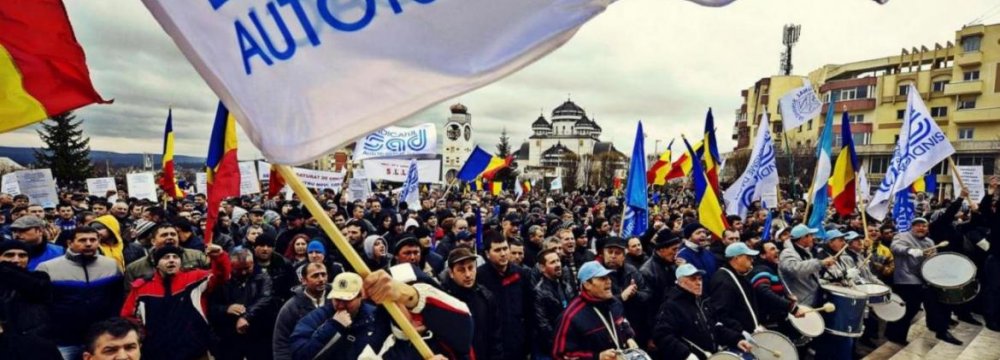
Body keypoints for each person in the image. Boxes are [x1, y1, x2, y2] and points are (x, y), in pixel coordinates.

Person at [120, 244, 231, 360]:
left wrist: (220, 257)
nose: (171, 260)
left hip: (195, 352)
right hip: (156, 354)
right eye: (166, 257)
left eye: (175, 257)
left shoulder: (195, 278)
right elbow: (127, 316)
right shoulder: (142, 288)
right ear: (157, 264)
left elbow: (222, 275)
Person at [36, 227, 124, 360]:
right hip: (64, 339)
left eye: (93, 240)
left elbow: (117, 299)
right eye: (82, 240)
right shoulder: (48, 268)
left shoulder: (111, 266)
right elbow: (40, 305)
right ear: (69, 243)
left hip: (102, 338)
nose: (88, 243)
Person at [653, 264, 753, 360]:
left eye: (700, 279)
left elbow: (715, 328)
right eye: (693, 279)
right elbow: (662, 335)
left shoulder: (703, 302)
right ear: (681, 282)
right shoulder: (671, 306)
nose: (699, 283)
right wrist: (685, 354)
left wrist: (736, 339)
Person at [886, 217, 960, 345]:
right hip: (906, 278)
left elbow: (933, 260)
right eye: (917, 225)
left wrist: (932, 257)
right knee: (909, 309)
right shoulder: (902, 236)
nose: (921, 228)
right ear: (912, 227)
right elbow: (895, 247)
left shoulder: (930, 242)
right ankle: (894, 334)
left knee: (932, 303)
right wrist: (909, 250)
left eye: (924, 226)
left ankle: (940, 330)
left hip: (924, 278)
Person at [552, 261, 638, 359]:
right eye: (602, 278)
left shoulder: (615, 303)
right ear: (587, 284)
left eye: (608, 277)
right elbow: (561, 355)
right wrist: (597, 357)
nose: (609, 281)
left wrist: (629, 337)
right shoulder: (571, 317)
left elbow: (623, 322)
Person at [208, 248, 276, 360]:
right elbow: (211, 306)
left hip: (257, 333)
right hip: (229, 336)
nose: (243, 272)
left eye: (247, 268)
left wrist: (246, 317)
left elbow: (265, 299)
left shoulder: (262, 277)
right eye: (238, 269)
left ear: (253, 263)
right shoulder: (222, 280)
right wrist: (226, 309)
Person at [476, 232, 532, 360]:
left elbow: (529, 310)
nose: (503, 254)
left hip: (517, 341)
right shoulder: (479, 277)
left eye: (505, 248)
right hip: (491, 345)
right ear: (487, 254)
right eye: (497, 250)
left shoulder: (521, 274)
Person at [443, 247, 504, 360]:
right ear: (451, 273)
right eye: (461, 270)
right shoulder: (444, 300)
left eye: (471, 268)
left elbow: (495, 337)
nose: (468, 274)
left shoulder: (486, 297)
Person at [273, 263, 329, 359]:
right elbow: (281, 343)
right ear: (303, 281)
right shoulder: (290, 307)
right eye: (315, 276)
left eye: (323, 274)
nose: (321, 279)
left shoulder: (337, 300)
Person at [124, 223, 209, 284]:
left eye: (173, 234)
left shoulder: (197, 256)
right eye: (164, 235)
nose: (170, 237)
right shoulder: (134, 268)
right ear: (153, 241)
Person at [0, 239, 51, 338]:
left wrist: (4, 269)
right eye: (9, 255)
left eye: (22, 255)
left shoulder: (39, 277)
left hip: (31, 338)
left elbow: (39, 290)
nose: (16, 260)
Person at [531, 248, 574, 360]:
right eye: (552, 262)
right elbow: (543, 325)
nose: (558, 265)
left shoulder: (565, 286)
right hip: (551, 347)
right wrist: (559, 345)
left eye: (558, 261)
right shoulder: (539, 292)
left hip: (569, 341)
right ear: (542, 268)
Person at [779, 224, 836, 308]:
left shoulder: (804, 252)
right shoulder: (787, 253)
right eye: (810, 235)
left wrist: (828, 283)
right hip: (801, 303)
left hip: (811, 299)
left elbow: (810, 277)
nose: (813, 238)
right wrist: (820, 263)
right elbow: (795, 269)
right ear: (803, 238)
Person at [253, 233, 295, 301]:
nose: (265, 249)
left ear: (273, 248)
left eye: (269, 246)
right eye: (262, 245)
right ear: (254, 247)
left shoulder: (284, 265)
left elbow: (293, 287)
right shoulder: (248, 264)